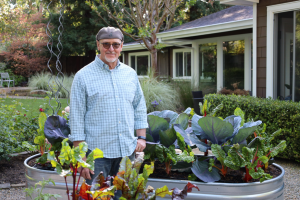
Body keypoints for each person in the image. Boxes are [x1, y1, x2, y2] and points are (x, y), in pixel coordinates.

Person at [69, 27, 148, 199]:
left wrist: (141, 137)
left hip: (126, 151)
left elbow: (139, 106)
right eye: (106, 44)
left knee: (122, 196)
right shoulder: (83, 76)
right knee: (96, 196)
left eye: (115, 45)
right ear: (98, 45)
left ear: (121, 46)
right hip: (97, 155)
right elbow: (76, 118)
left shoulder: (130, 74)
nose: (111, 49)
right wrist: (81, 158)